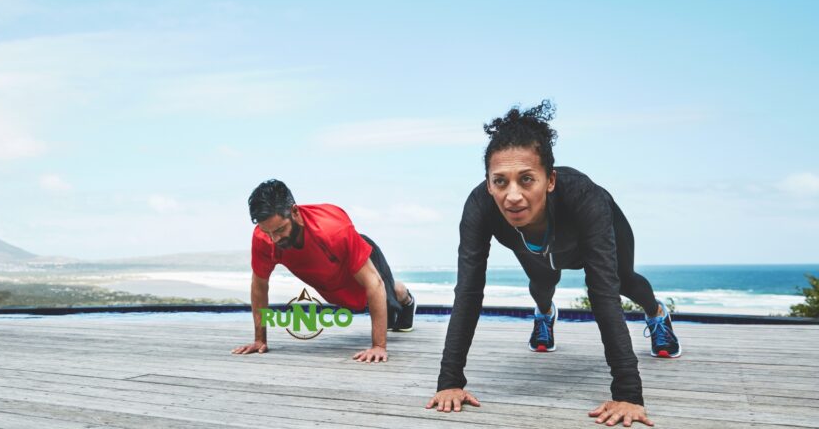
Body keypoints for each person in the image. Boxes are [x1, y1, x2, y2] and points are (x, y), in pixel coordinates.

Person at [427, 101, 680, 427]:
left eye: (527, 179)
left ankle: (657, 315)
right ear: (489, 184)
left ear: (550, 180)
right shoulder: (480, 206)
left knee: (624, 280)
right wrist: (449, 382)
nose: (513, 195)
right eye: (500, 181)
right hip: (538, 249)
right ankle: (544, 315)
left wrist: (628, 394)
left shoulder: (585, 197)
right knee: (543, 283)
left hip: (592, 236)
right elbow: (469, 291)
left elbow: (603, 292)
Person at [232, 179, 415, 363]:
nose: (274, 239)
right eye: (268, 232)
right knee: (358, 303)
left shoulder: (333, 229)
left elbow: (374, 283)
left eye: (280, 229)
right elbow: (259, 286)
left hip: (358, 254)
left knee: (388, 297)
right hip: (332, 279)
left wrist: (379, 346)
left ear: (295, 212)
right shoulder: (263, 238)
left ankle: (404, 297)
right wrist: (259, 340)